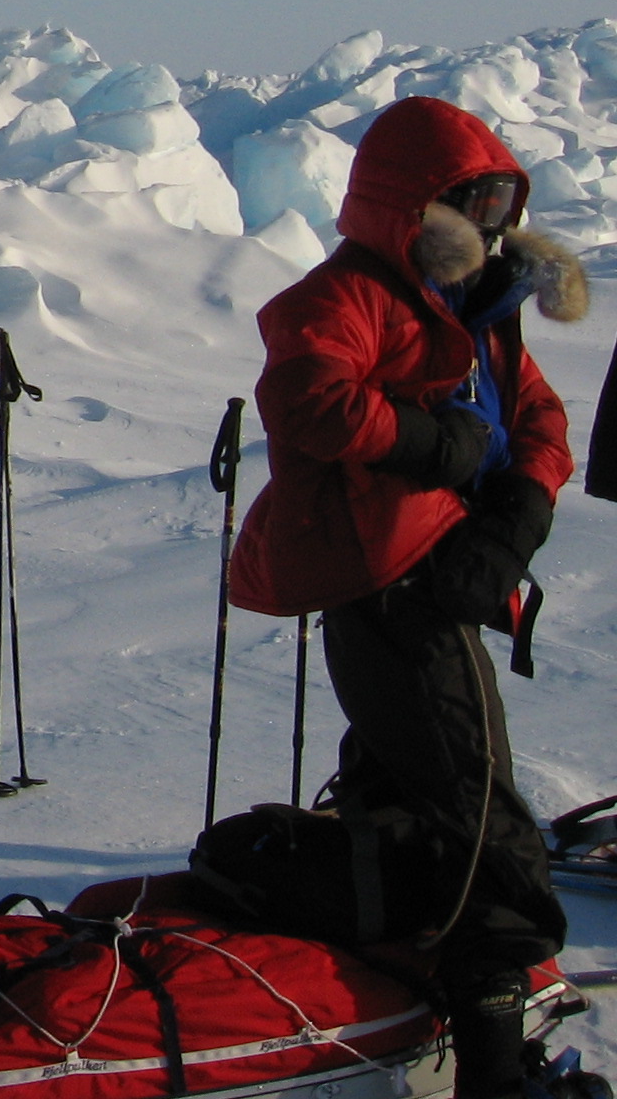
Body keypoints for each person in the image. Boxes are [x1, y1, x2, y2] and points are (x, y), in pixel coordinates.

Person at [228, 94, 591, 1099]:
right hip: (386, 582)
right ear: (413, 202)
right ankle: (492, 1068)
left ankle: (394, 989)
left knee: (410, 787)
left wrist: (517, 513)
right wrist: (432, 444)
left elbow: (537, 417)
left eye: (501, 203)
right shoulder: (346, 293)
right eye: (474, 201)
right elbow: (305, 395)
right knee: (481, 816)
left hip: (437, 572)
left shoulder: (473, 305)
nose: (489, 224)